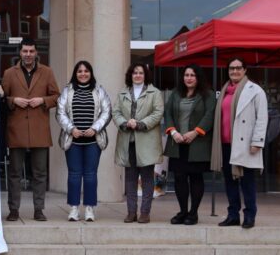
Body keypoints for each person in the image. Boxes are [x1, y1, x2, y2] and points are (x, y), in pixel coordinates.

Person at [1, 38, 60, 222]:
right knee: (14, 173)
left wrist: (43, 100)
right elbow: (2, 98)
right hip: (16, 129)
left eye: (31, 51)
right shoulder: (9, 73)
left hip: (39, 129)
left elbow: (57, 96)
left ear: (36, 53)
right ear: (20, 52)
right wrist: (13, 101)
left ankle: (39, 209)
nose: (28, 55)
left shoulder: (47, 72)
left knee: (40, 173)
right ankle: (13, 209)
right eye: (25, 51)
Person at [211, 57, 268, 229]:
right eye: (231, 68)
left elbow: (262, 118)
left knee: (247, 182)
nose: (234, 71)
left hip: (246, 145)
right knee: (230, 182)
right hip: (226, 144)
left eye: (238, 68)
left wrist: (257, 141)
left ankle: (250, 215)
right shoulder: (224, 91)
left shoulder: (255, 90)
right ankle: (233, 215)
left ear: (245, 70)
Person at [56, 60, 112, 222]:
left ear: (91, 73)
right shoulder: (67, 91)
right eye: (79, 71)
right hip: (72, 140)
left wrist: (95, 128)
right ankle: (73, 208)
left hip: (93, 141)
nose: (83, 74)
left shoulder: (99, 90)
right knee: (74, 175)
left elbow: (107, 112)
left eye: (86, 71)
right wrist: (71, 129)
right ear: (75, 73)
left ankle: (89, 208)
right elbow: (60, 112)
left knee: (90, 175)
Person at [163, 64, 215, 226]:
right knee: (179, 178)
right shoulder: (175, 94)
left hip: (197, 143)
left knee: (195, 178)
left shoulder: (208, 95)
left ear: (198, 77)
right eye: (186, 75)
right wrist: (173, 132)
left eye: (192, 75)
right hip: (177, 143)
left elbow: (209, 116)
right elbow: (168, 113)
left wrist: (195, 132)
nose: (189, 78)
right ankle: (183, 211)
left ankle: (193, 213)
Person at [113, 62, 164, 224]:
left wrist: (140, 123)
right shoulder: (123, 93)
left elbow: (158, 112)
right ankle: (131, 212)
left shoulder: (154, 92)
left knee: (147, 179)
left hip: (146, 141)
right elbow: (116, 112)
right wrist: (125, 123)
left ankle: (145, 213)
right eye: (135, 72)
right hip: (128, 141)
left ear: (145, 75)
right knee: (130, 179)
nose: (137, 75)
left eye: (141, 73)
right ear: (130, 75)